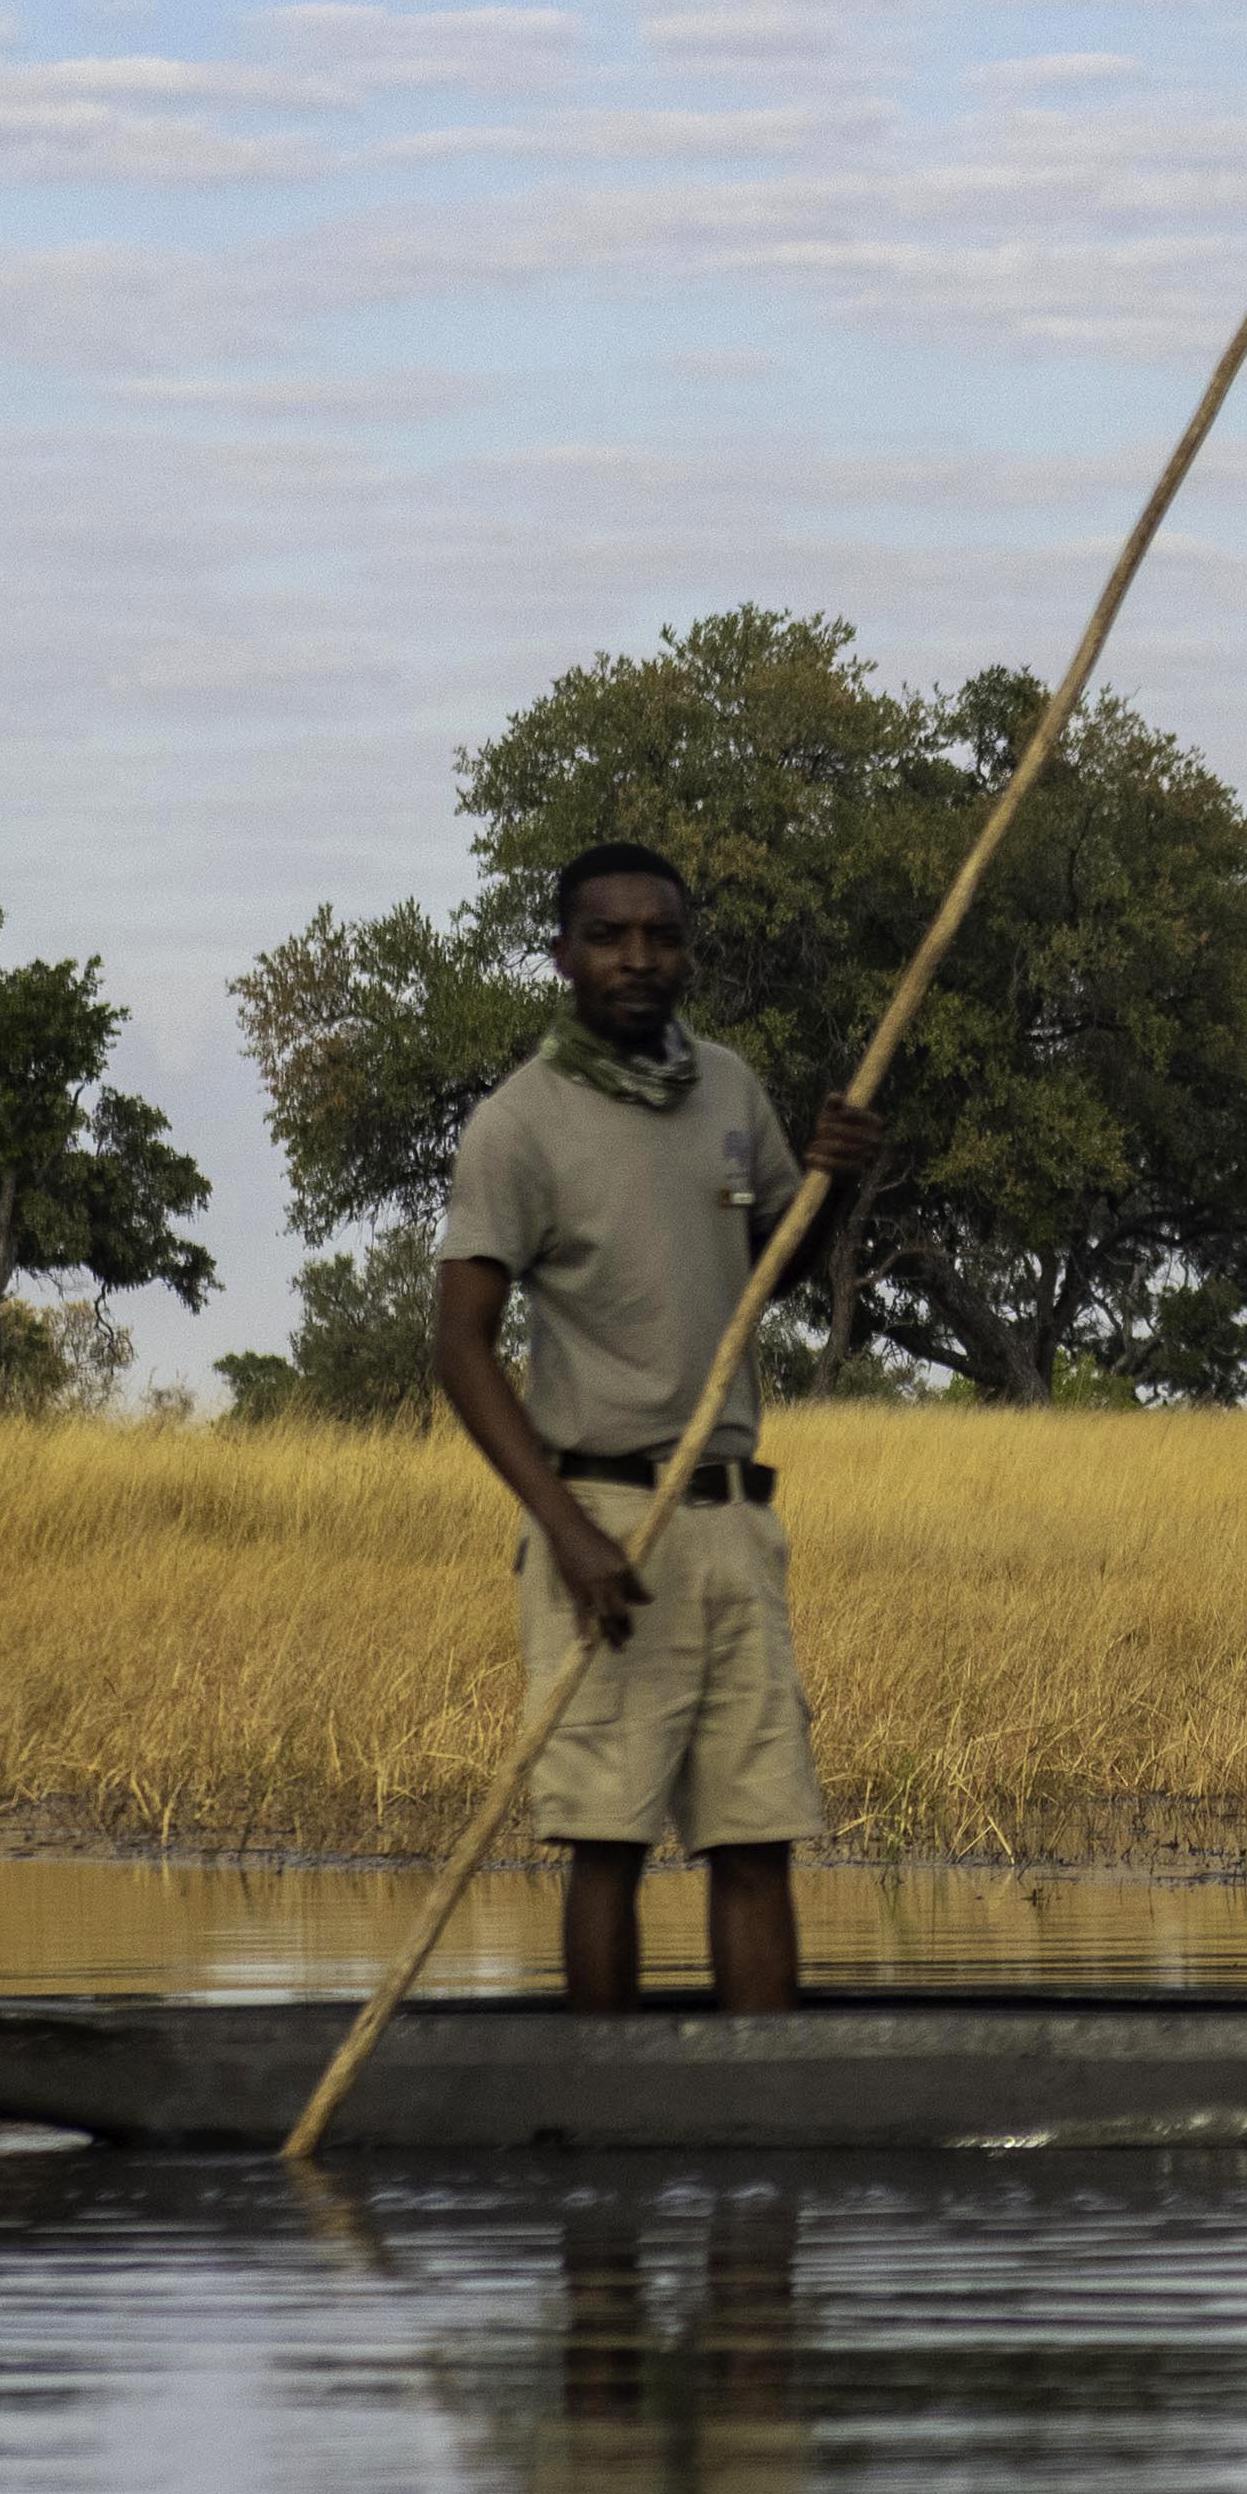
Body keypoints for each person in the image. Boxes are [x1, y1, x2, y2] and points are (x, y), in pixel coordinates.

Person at [438, 839, 888, 2016]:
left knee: (756, 1837)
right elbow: (460, 1345)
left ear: (687, 952)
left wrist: (834, 1182)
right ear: (562, 955)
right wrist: (565, 1530)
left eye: (661, 936)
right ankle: (605, 2124)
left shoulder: (730, 1089)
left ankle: (767, 2110)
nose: (638, 958)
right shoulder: (518, 1125)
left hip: (735, 1520)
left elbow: (759, 1277)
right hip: (603, 1526)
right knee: (608, 1836)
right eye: (609, 936)